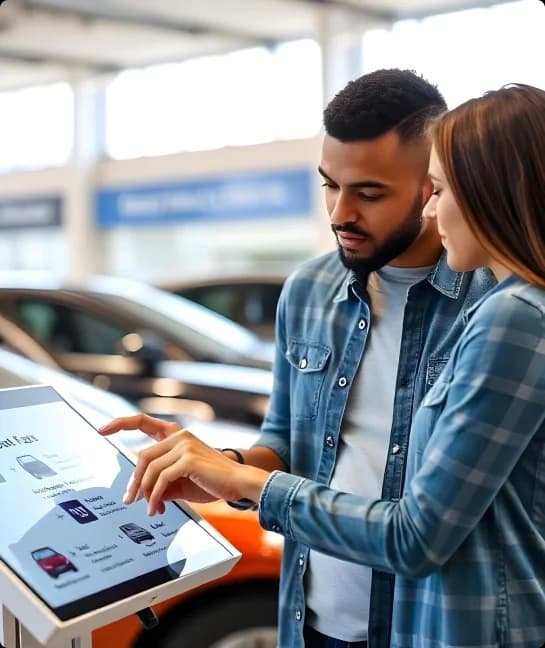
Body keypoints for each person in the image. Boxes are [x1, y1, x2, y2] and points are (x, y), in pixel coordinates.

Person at [99, 69, 496, 647]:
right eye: (330, 186)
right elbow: (287, 444)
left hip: (439, 625)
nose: (339, 213)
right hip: (310, 621)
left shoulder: (495, 306)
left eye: (369, 192)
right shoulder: (309, 291)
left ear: (431, 187)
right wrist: (222, 467)